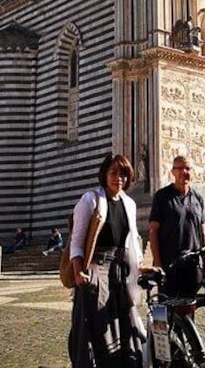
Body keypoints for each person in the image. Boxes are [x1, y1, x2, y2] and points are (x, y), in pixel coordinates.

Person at [68, 153, 144, 368]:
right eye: (113, 173)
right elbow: (77, 239)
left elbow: (133, 237)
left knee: (126, 320)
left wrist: (139, 264)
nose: (118, 178)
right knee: (96, 324)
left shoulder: (129, 203)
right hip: (96, 268)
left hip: (122, 268)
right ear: (104, 175)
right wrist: (78, 272)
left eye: (123, 175)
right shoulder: (90, 200)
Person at [148, 155, 205, 298]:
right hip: (169, 264)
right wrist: (158, 264)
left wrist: (204, 263)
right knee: (164, 309)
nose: (183, 172)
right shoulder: (162, 196)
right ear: (172, 172)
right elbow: (153, 231)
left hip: (192, 265)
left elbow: (201, 231)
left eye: (187, 168)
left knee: (189, 308)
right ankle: (158, 321)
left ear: (192, 172)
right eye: (179, 168)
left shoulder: (198, 198)